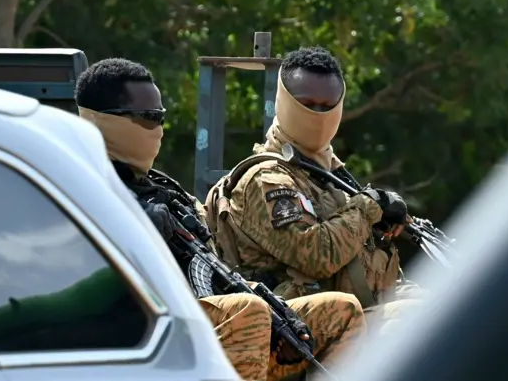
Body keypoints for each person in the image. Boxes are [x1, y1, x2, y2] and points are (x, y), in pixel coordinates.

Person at [75, 57, 366, 381]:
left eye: (160, 117)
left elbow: (214, 271)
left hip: (200, 319)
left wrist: (279, 313)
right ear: (105, 120)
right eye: (147, 117)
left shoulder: (164, 191)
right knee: (248, 311)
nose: (158, 129)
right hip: (135, 328)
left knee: (340, 311)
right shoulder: (78, 184)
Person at [205, 46, 425, 332]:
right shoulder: (266, 179)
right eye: (307, 104)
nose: (318, 116)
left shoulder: (331, 178)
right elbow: (318, 256)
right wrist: (368, 206)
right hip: (289, 331)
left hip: (349, 319)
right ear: (284, 103)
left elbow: (371, 274)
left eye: (327, 106)